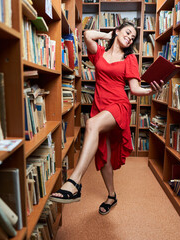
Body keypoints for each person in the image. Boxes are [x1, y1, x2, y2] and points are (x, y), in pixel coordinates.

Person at [50, 22, 163, 215]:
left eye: (133, 37)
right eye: (127, 32)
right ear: (117, 31)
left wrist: (150, 90)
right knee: (105, 157)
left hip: (119, 105)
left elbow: (134, 89)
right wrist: (109, 35)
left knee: (91, 124)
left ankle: (74, 182)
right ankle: (112, 195)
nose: (130, 38)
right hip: (99, 105)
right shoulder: (100, 52)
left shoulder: (130, 59)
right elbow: (87, 35)